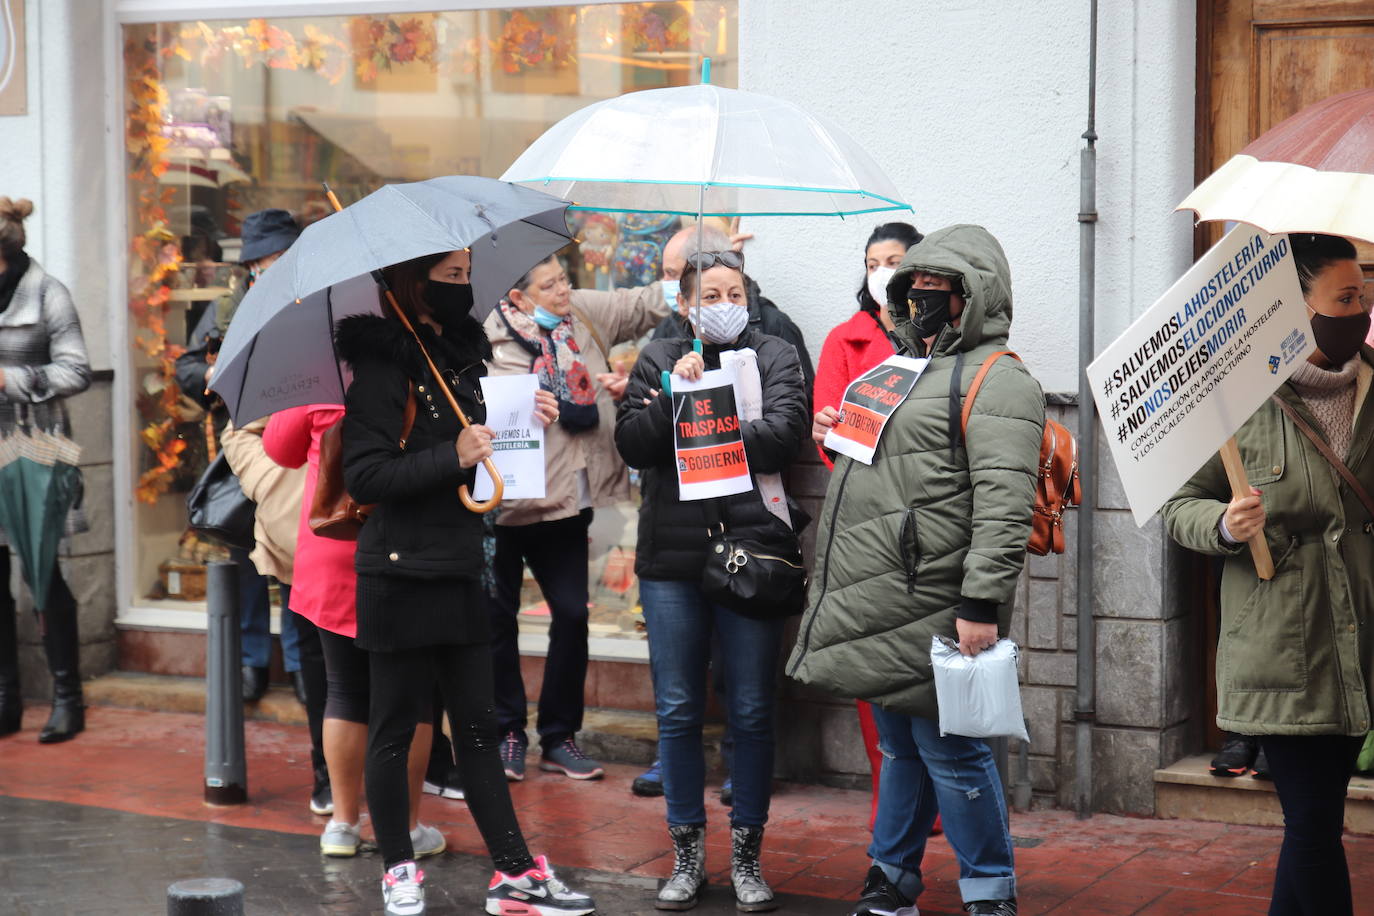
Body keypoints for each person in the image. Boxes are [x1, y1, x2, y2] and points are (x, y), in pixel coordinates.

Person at [791, 225, 1044, 916]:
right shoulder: (896, 367)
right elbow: (880, 469)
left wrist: (981, 603)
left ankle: (990, 889)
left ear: (975, 297)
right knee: (900, 749)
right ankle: (892, 875)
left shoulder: (1001, 378)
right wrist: (834, 433)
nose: (925, 298)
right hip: (882, 596)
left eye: (942, 289)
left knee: (954, 753)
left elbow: (1003, 502)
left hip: (941, 601)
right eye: (917, 288)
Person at [338, 249, 594, 916]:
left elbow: (484, 473)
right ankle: (398, 867)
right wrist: (450, 455)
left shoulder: (461, 358)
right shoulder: (379, 365)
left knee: (479, 727)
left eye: (465, 277)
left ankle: (513, 871)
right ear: (408, 281)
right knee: (395, 727)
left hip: (459, 564)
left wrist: (518, 429)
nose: (461, 288)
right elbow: (365, 478)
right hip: (397, 571)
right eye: (447, 277)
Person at [1162, 232, 1374, 916]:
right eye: (1344, 298)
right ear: (1295, 308)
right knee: (1314, 827)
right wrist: (1225, 525)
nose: (1360, 310)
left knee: (1312, 828)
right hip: (1283, 648)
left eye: (1365, 296)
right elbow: (1176, 504)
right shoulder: (1238, 399)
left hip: (1360, 643)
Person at [615, 249, 810, 912]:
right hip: (670, 560)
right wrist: (674, 391)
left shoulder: (777, 354)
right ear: (685, 302)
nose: (723, 302)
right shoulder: (658, 355)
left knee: (753, 708)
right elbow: (634, 446)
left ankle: (749, 855)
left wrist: (707, 412)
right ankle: (688, 853)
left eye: (735, 291)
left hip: (750, 553)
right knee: (676, 708)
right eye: (711, 293)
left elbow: (785, 433)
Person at [484, 254, 669, 782]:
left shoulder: (582, 315)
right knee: (497, 622)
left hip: (565, 499)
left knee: (571, 614)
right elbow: (463, 404)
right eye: (550, 284)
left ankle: (560, 736)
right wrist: (508, 408)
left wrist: (701, 265)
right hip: (501, 503)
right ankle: (508, 733)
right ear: (518, 298)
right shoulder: (483, 337)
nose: (564, 289)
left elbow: (641, 302)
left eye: (565, 278)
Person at [264, 404, 443, 861]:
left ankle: (343, 823)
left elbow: (279, 449)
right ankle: (405, 828)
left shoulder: (317, 376)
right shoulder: (416, 367)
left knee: (343, 690)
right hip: (405, 547)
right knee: (412, 696)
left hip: (332, 544)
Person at [812, 221, 923, 831]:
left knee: (925, 657)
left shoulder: (942, 337)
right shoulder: (844, 340)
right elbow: (825, 434)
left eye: (894, 259)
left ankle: (929, 788)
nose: (881, 270)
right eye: (872, 260)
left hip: (930, 518)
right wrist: (828, 426)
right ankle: (889, 791)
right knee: (868, 662)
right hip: (865, 522)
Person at [176, 208, 303, 703]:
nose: (272, 268)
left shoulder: (314, 299)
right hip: (245, 453)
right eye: (265, 261)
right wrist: (207, 377)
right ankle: (252, 661)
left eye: (282, 257)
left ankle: (299, 661)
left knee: (297, 560)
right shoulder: (230, 307)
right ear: (250, 266)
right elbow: (188, 367)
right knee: (248, 556)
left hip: (299, 450)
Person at [0, 197, 93, 744]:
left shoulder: (49, 292)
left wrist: (9, 380)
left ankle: (67, 698)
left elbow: (77, 370)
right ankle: (7, 699)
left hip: (35, 449)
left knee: (44, 573)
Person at [220, 418, 330, 814]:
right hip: (303, 526)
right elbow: (240, 429)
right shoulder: (288, 363)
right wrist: (272, 483)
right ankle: (329, 775)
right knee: (318, 653)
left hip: (375, 526)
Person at [651, 225, 815, 402]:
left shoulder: (773, 325)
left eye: (672, 273)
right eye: (712, 296)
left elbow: (801, 406)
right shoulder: (668, 329)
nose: (665, 281)